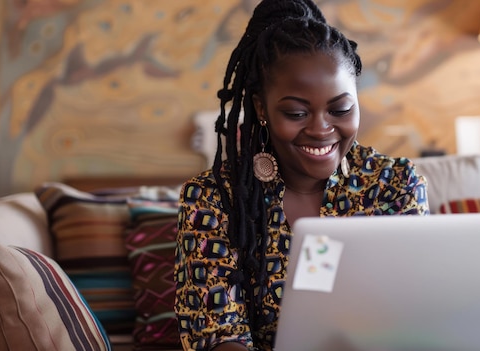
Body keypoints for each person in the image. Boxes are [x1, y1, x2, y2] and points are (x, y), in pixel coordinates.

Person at [174, 0, 429, 350]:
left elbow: (417, 308)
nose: (321, 129)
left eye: (340, 108)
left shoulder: (395, 184)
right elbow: (219, 336)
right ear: (261, 107)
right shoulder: (214, 198)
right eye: (296, 113)